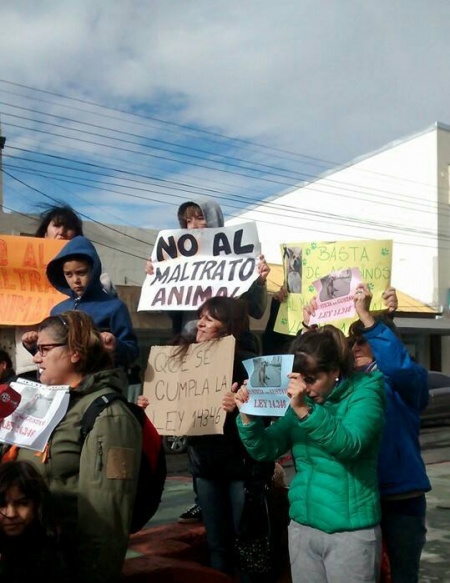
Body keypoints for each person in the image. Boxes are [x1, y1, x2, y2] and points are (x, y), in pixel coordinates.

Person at [146, 197, 270, 523]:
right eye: (188, 221)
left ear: (214, 223)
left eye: (200, 219)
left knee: (232, 422)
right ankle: (204, 497)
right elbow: (168, 310)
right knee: (197, 423)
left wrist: (259, 280)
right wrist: (157, 277)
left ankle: (246, 487)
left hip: (230, 354)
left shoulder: (237, 259)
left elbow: (256, 309)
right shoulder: (176, 262)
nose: (194, 226)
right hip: (191, 354)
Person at [234, 324, 386, 583]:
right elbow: (266, 449)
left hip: (349, 531)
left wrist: (305, 409)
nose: (305, 387)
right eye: (299, 378)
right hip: (303, 527)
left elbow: (350, 444)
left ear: (335, 371)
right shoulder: (301, 402)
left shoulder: (365, 391)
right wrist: (247, 416)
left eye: (312, 379)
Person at [14, 310, 141, 583]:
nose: (36, 358)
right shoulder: (42, 404)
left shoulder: (109, 414)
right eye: (36, 350)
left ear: (75, 352)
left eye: (45, 349)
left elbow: (107, 518)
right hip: (31, 558)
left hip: (68, 565)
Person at [167, 296, 274, 579]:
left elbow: (269, 418)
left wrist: (241, 409)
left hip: (242, 470)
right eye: (200, 316)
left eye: (209, 319)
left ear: (230, 328)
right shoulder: (183, 359)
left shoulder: (251, 363)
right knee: (217, 545)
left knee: (247, 541)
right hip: (206, 467)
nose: (199, 324)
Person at [347, 284, 431, 583]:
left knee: (403, 573)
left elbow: (398, 367)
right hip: (360, 495)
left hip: (401, 496)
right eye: (351, 342)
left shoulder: (408, 379)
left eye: (362, 340)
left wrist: (369, 318)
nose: (355, 346)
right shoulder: (347, 384)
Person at [22, 235, 139, 370]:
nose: (75, 280)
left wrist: (115, 345)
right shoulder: (57, 311)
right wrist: (33, 345)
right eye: (69, 274)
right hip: (63, 383)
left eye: (81, 273)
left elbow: (132, 352)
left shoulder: (114, 307)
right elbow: (52, 355)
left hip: (98, 383)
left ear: (94, 271)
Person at [0, 460, 72, 582]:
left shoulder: (53, 554)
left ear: (37, 504)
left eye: (22, 503)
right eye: (2, 504)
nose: (11, 514)